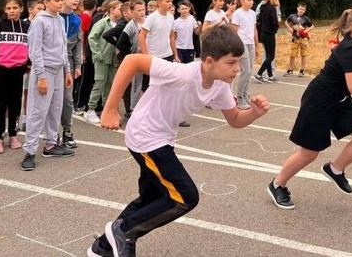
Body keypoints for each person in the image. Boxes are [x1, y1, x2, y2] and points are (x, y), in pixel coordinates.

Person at [87, 25, 270, 257]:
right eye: (231, 62)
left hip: (163, 138)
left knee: (152, 199)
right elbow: (132, 61)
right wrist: (110, 109)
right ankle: (123, 232)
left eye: (239, 62)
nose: (238, 68)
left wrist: (254, 112)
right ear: (210, 61)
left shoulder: (221, 86)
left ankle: (102, 247)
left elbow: (234, 119)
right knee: (185, 196)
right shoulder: (181, 73)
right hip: (146, 137)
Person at [267, 6, 352, 210]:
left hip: (340, 100)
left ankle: (335, 169)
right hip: (319, 102)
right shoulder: (351, 49)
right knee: (309, 153)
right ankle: (277, 184)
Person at [20, 0, 75, 171]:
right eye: (57, 0)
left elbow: (63, 48)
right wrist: (41, 77)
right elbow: (34, 51)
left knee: (55, 109)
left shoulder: (59, 20)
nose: (60, 3)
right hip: (44, 71)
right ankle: (29, 151)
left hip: (59, 71)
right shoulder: (39, 22)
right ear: (45, 2)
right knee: (38, 111)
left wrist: (67, 70)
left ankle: (51, 144)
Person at [0, 0, 29, 152]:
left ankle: (13, 134)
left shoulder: (26, 27)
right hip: (0, 69)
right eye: (9, 8)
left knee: (15, 104)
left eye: (15, 8)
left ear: (21, 9)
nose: (12, 11)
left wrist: (28, 63)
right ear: (4, 9)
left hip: (18, 70)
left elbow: (30, 47)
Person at [85, 0, 123, 124]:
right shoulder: (103, 22)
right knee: (99, 83)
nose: (121, 11)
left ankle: (107, 110)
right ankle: (90, 109)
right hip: (102, 59)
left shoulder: (119, 24)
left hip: (113, 59)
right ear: (111, 10)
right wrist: (97, 53)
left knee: (110, 85)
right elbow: (92, 37)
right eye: (118, 8)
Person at [58, 0, 83, 149]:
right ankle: (52, 134)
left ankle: (67, 132)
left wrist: (78, 64)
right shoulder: (53, 16)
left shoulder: (76, 20)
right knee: (52, 101)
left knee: (67, 100)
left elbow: (79, 43)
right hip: (52, 61)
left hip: (69, 61)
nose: (76, 0)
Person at [117, 0, 146, 125]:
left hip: (149, 56)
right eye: (138, 10)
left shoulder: (148, 21)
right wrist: (130, 53)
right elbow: (120, 43)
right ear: (132, 12)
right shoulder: (131, 25)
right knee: (136, 85)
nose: (142, 12)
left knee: (148, 85)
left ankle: (146, 110)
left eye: (143, 9)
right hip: (137, 58)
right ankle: (133, 111)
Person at [231, 0, 258, 109]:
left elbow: (254, 30)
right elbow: (234, 31)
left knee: (249, 72)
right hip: (242, 44)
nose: (251, 2)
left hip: (251, 43)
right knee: (245, 71)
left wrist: (257, 45)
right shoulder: (237, 13)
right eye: (248, 0)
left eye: (252, 0)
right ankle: (240, 97)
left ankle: (246, 96)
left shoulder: (252, 13)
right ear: (242, 1)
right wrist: (236, 48)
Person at [20, 0, 45, 130]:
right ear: (30, 10)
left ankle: (30, 118)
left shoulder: (43, 23)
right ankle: (21, 119)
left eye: (43, 9)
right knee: (24, 92)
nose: (41, 11)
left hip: (37, 64)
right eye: (38, 9)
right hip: (24, 65)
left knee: (34, 92)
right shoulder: (23, 24)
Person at [75, 0, 98, 112]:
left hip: (83, 51)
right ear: (95, 7)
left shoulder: (85, 17)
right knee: (83, 80)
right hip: (84, 51)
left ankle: (79, 102)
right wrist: (83, 53)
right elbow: (83, 37)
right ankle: (79, 103)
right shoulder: (86, 18)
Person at [254, 0, 280, 83]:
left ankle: (270, 76)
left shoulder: (262, 7)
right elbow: (274, 21)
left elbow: (259, 19)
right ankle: (259, 74)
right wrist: (276, 27)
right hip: (270, 33)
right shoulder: (272, 8)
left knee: (268, 54)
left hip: (263, 33)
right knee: (271, 56)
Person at [284, 2, 314, 77]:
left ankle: (302, 70)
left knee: (303, 54)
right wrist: (290, 28)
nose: (301, 10)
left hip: (303, 39)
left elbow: (312, 26)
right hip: (295, 38)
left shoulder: (306, 18)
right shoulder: (292, 16)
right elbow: (286, 22)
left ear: (305, 10)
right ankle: (290, 70)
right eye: (300, 9)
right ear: (297, 8)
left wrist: (305, 31)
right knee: (292, 54)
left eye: (303, 10)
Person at [173, 0, 200, 64]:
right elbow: (173, 37)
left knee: (189, 68)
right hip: (178, 48)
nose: (185, 10)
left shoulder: (192, 19)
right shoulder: (175, 22)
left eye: (186, 8)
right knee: (179, 68)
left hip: (190, 48)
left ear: (189, 9)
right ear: (178, 10)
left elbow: (197, 32)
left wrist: (200, 26)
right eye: (182, 9)